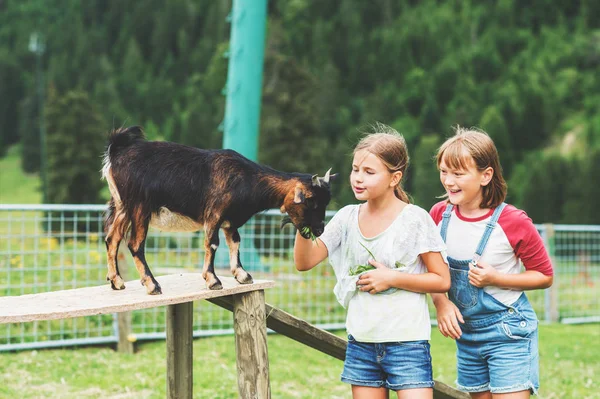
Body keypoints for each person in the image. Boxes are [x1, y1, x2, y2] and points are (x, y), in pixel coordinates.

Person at [294, 123, 450, 399]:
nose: (358, 178)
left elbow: (441, 279)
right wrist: (305, 219)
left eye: (369, 172)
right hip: (362, 344)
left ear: (394, 178)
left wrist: (392, 278)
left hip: (408, 344)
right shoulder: (346, 217)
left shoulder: (415, 219)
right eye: (355, 169)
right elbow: (305, 261)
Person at [429, 127, 554, 398]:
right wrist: (441, 303)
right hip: (467, 335)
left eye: (458, 173)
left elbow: (544, 276)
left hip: (508, 332)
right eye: (444, 171)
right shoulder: (439, 215)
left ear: (486, 175)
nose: (448, 181)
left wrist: (496, 279)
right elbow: (431, 270)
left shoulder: (514, 221)